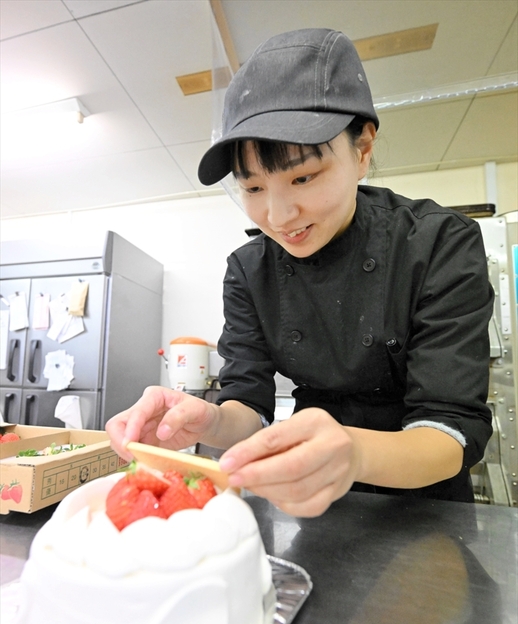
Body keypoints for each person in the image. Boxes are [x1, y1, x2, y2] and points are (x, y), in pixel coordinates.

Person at [106, 28, 493, 516]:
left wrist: (354, 453)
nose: (279, 215)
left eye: (303, 177)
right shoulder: (250, 271)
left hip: (431, 510)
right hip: (315, 504)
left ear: (363, 149)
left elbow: (450, 429)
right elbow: (248, 407)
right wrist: (207, 420)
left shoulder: (437, 242)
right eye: (252, 189)